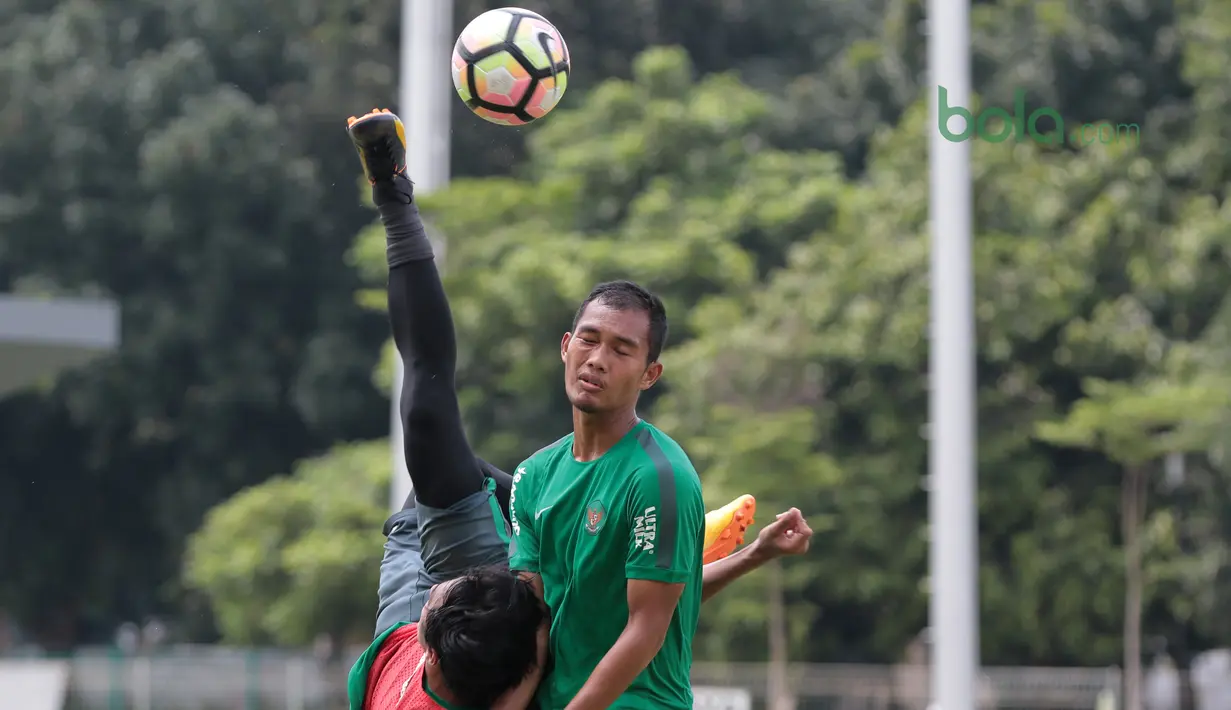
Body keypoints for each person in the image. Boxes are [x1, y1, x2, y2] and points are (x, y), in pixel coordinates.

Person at [343, 107, 814, 710]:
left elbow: (642, 628)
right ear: (565, 348)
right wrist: (755, 557)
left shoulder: (658, 476)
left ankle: (393, 196)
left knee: (430, 430)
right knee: (511, 494)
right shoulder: (548, 472)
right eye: (589, 341)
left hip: (547, 670)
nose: (597, 359)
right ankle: (665, 547)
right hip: (529, 659)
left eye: (620, 349)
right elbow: (551, 620)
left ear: (650, 374)